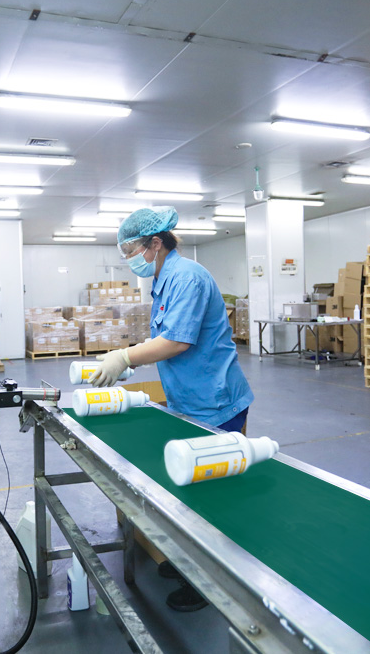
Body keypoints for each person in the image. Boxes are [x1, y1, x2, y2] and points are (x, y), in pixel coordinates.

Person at [89, 206, 254, 612]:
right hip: (191, 399)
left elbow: (178, 341)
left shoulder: (186, 277)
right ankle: (191, 565)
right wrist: (132, 361)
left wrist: (125, 357)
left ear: (155, 244)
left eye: (132, 251)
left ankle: (211, 583)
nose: (131, 260)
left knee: (214, 498)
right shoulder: (164, 280)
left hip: (216, 401)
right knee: (194, 488)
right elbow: (164, 339)